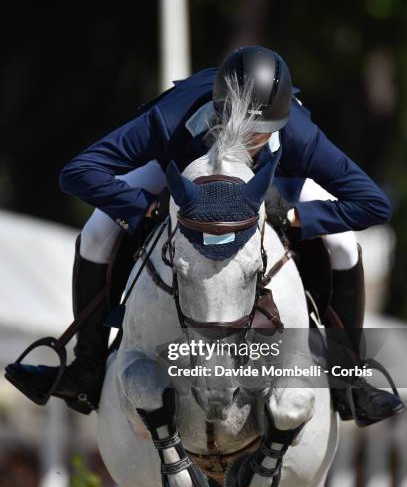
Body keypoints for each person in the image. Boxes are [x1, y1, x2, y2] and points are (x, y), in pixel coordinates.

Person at [6, 46, 405, 426]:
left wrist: (293, 215)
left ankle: (348, 375)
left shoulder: (299, 135)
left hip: (276, 187)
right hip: (180, 172)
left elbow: (373, 204)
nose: (245, 142)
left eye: (259, 134)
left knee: (342, 244)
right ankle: (87, 367)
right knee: (96, 231)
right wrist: (143, 207)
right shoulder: (170, 118)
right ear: (217, 110)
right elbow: (78, 172)